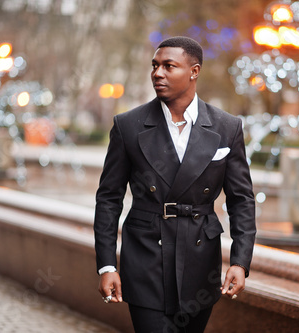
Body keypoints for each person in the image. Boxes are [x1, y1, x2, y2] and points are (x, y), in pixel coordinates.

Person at [94, 36, 256, 333]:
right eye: (155, 66)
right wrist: (107, 265)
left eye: (169, 66)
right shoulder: (128, 125)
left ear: (194, 71)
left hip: (200, 259)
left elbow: (241, 199)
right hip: (145, 256)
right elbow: (108, 199)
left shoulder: (227, 127)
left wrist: (240, 261)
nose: (158, 73)